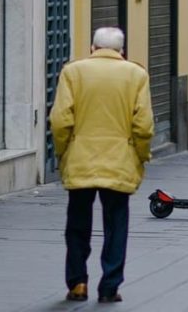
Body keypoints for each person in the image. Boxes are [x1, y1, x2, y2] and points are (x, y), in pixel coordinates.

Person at [50, 27, 154, 304]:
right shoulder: (136, 75)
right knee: (116, 225)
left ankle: (77, 283)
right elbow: (143, 126)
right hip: (119, 160)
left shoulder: (73, 72)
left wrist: (64, 152)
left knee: (77, 224)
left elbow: (60, 120)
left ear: (92, 47)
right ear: (122, 51)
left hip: (81, 158)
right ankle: (109, 286)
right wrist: (141, 156)